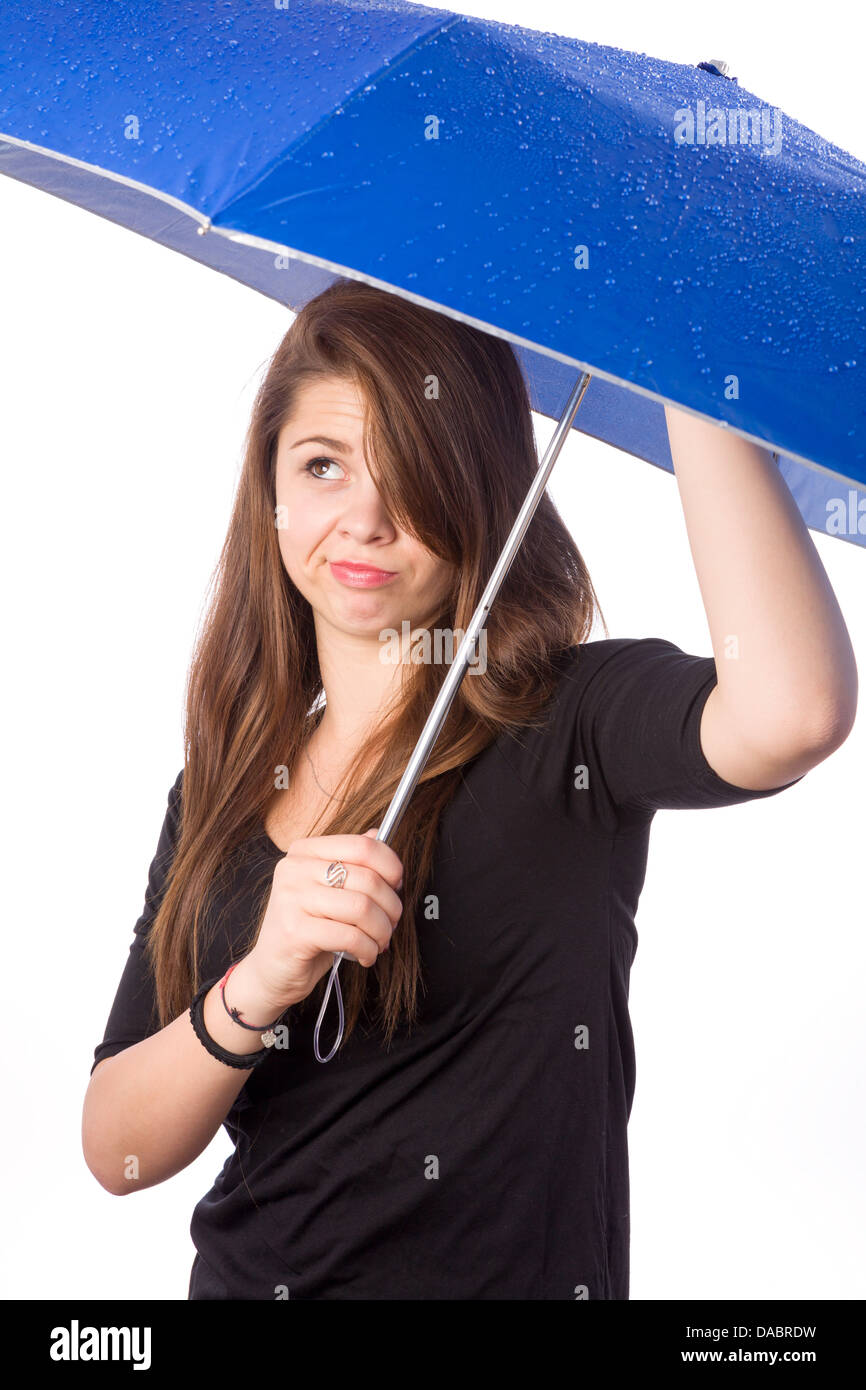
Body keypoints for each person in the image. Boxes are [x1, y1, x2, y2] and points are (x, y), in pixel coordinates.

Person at [81, 278, 857, 1300]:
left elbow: (791, 712)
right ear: (269, 485)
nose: (361, 518)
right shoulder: (222, 784)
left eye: (411, 471)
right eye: (322, 466)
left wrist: (688, 372)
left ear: (483, 488)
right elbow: (116, 1149)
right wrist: (258, 983)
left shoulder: (565, 722)